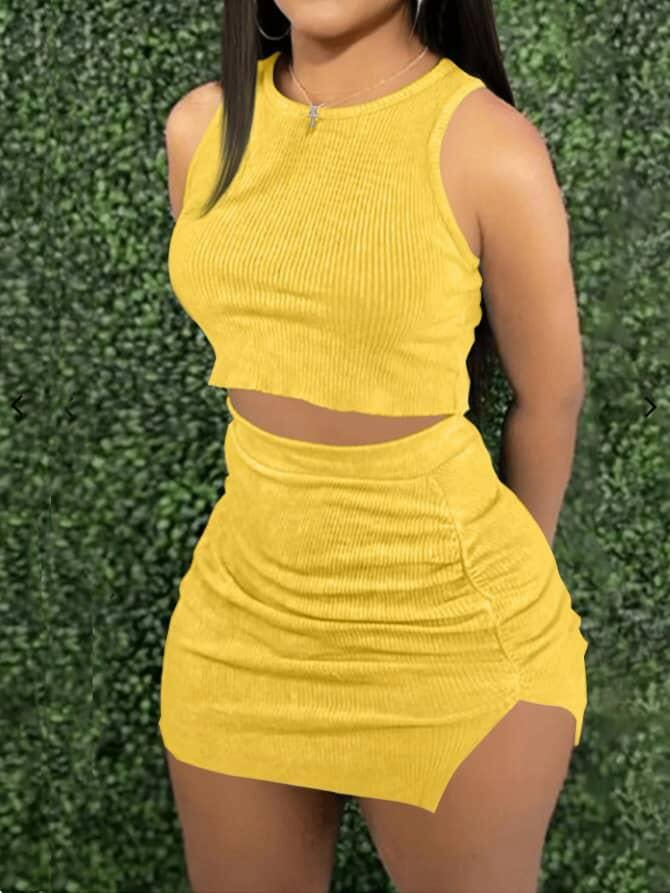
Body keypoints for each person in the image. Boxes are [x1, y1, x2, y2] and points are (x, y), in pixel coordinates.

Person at [159, 1, 589, 890]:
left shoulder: (490, 146)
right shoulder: (201, 129)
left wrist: (514, 578)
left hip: (451, 634)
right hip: (241, 618)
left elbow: (551, 399)